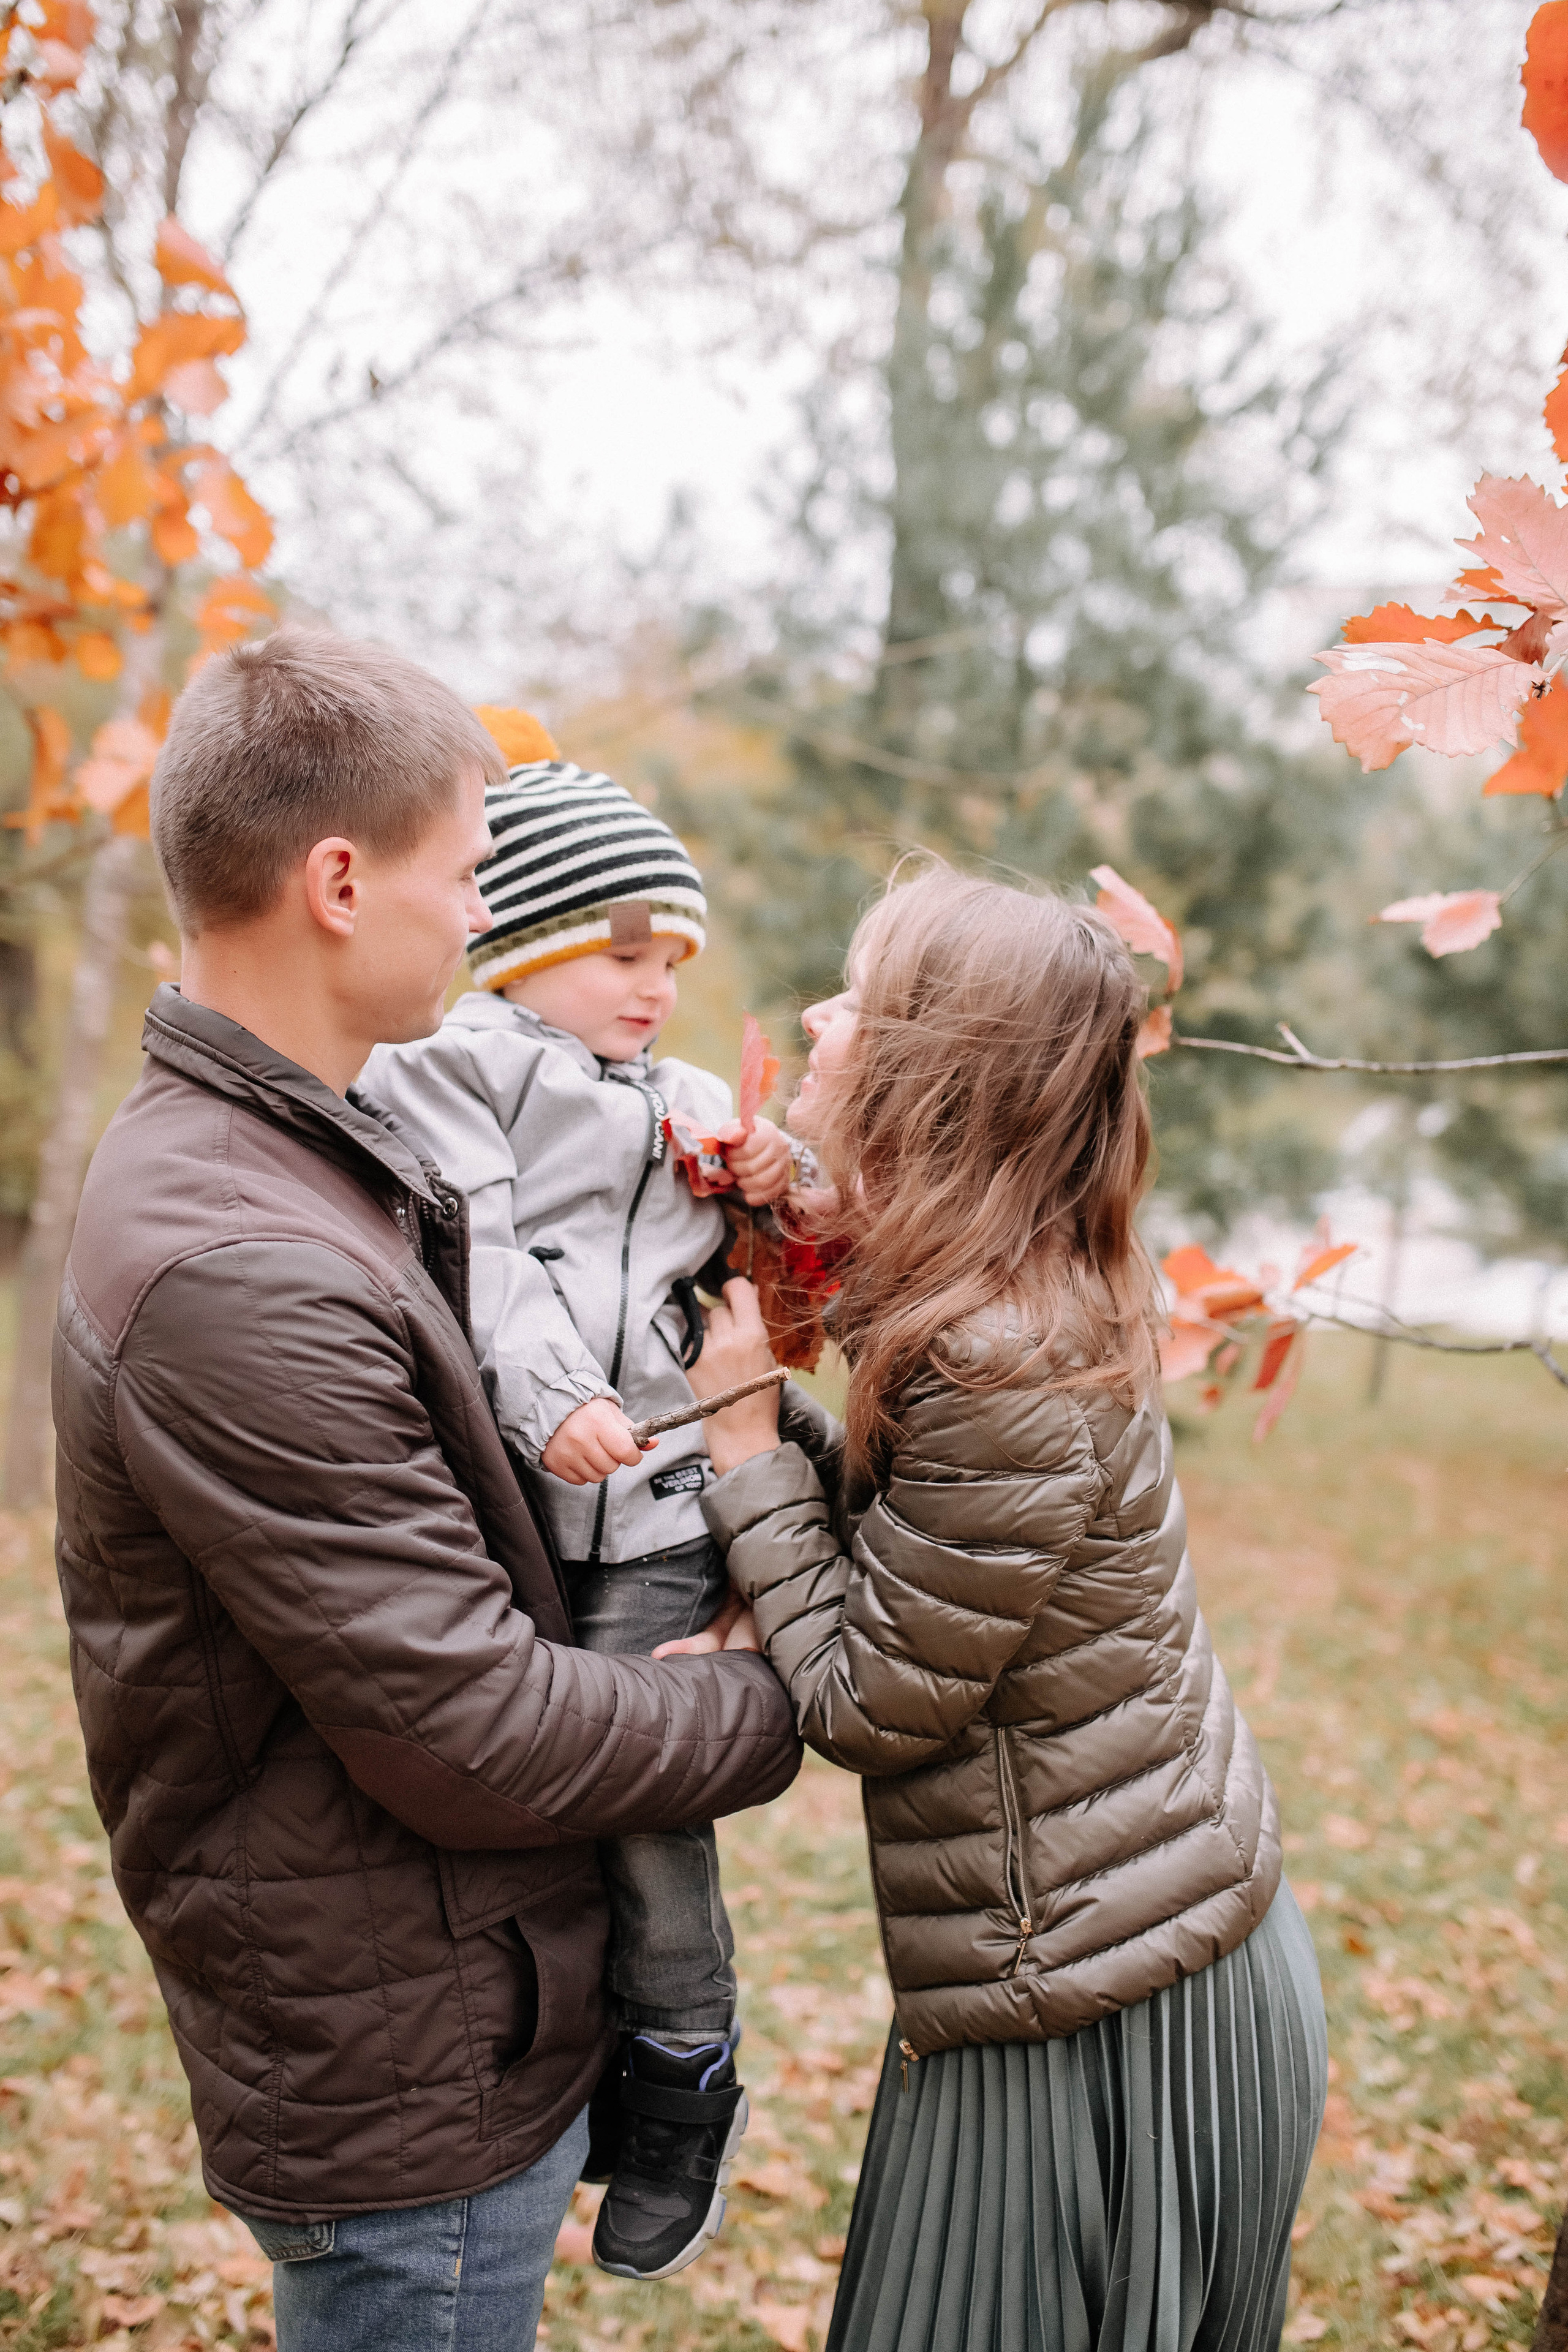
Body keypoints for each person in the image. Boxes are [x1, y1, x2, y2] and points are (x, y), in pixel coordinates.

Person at [50, 628, 801, 2352]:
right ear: (338, 881)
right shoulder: (241, 1258)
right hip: (407, 2078)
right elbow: (474, 1731)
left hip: (456, 2002)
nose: (481, 917)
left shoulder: (312, 1146)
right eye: (466, 874)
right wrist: (777, 1691)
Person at [665, 864, 1328, 2352]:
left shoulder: (994, 1353)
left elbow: (869, 1698)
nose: (824, 1021)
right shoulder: (1021, 1277)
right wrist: (803, 1256)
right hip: (1142, 1935)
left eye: (863, 1001)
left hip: (1095, 2001)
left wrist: (738, 1442)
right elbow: (925, 1544)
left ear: (935, 1072)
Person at [363, 756, 793, 2281]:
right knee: (524, 1803)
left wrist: (769, 1171)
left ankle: (685, 2072)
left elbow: (787, 1227)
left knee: (643, 1813)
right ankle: (585, 2058)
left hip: (665, 1506)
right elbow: (482, 1254)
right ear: (525, 940)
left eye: (674, 957)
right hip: (532, 1503)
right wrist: (548, 1400)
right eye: (625, 950)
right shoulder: (449, 1067)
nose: (656, 985)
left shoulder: (680, 1097)